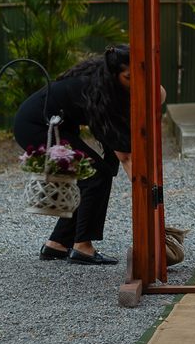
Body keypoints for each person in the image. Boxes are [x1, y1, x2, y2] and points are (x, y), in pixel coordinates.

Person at [13, 45, 136, 265]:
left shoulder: (102, 83)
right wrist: (144, 192)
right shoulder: (99, 90)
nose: (133, 83)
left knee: (95, 174)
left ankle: (57, 244)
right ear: (113, 73)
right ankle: (82, 247)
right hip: (37, 126)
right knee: (97, 175)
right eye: (128, 77)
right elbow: (125, 156)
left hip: (47, 123)